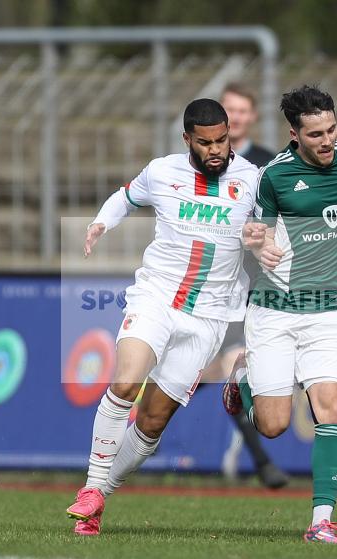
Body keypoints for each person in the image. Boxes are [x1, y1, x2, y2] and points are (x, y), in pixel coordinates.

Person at [66, 99, 264, 536]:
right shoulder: (162, 172)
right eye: (205, 142)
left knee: (152, 422)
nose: (216, 150)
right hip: (155, 298)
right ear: (187, 140)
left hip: (210, 317)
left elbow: (269, 232)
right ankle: (92, 488)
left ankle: (100, 498)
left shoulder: (251, 179)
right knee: (125, 382)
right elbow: (125, 197)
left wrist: (261, 239)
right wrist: (101, 223)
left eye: (222, 141)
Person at [222, 85, 337, 544]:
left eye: (331, 130)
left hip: (327, 311)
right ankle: (241, 381)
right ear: (294, 134)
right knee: (273, 425)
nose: (327, 141)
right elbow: (255, 230)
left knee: (331, 407)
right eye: (316, 134)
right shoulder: (274, 175)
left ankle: (320, 520)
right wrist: (259, 245)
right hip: (274, 312)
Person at [198, 83, 288, 489]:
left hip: (256, 285)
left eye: (242, 111)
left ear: (252, 117)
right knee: (208, 368)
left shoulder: (269, 164)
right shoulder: (197, 162)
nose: (234, 118)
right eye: (228, 110)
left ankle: (260, 459)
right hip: (212, 283)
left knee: (237, 365)